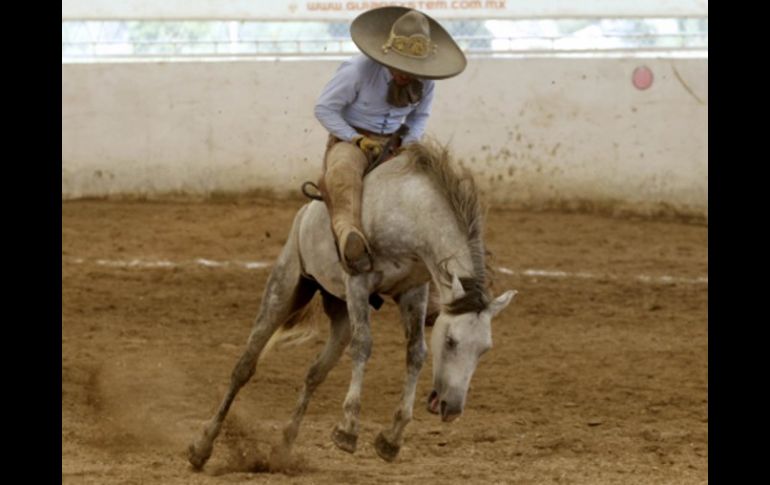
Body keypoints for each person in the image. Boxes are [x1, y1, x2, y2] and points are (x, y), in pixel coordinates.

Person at [314, 6, 467, 274]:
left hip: (397, 143)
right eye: (399, 65)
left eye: (410, 67)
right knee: (343, 170)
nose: (404, 73)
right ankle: (349, 235)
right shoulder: (356, 71)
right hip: (351, 140)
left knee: (435, 178)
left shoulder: (426, 82)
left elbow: (420, 117)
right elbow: (324, 108)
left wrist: (408, 144)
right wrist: (355, 139)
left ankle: (439, 252)